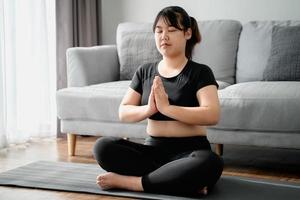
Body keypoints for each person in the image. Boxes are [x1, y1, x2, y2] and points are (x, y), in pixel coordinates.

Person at [93, 6, 223, 197]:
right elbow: (124, 112)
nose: (164, 36)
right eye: (159, 31)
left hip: (190, 153)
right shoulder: (145, 71)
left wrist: (167, 108)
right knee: (102, 147)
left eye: (171, 30)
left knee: (210, 162)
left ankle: (134, 183)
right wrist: (149, 109)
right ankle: (179, 182)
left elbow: (212, 114)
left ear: (187, 33)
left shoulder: (201, 72)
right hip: (152, 154)